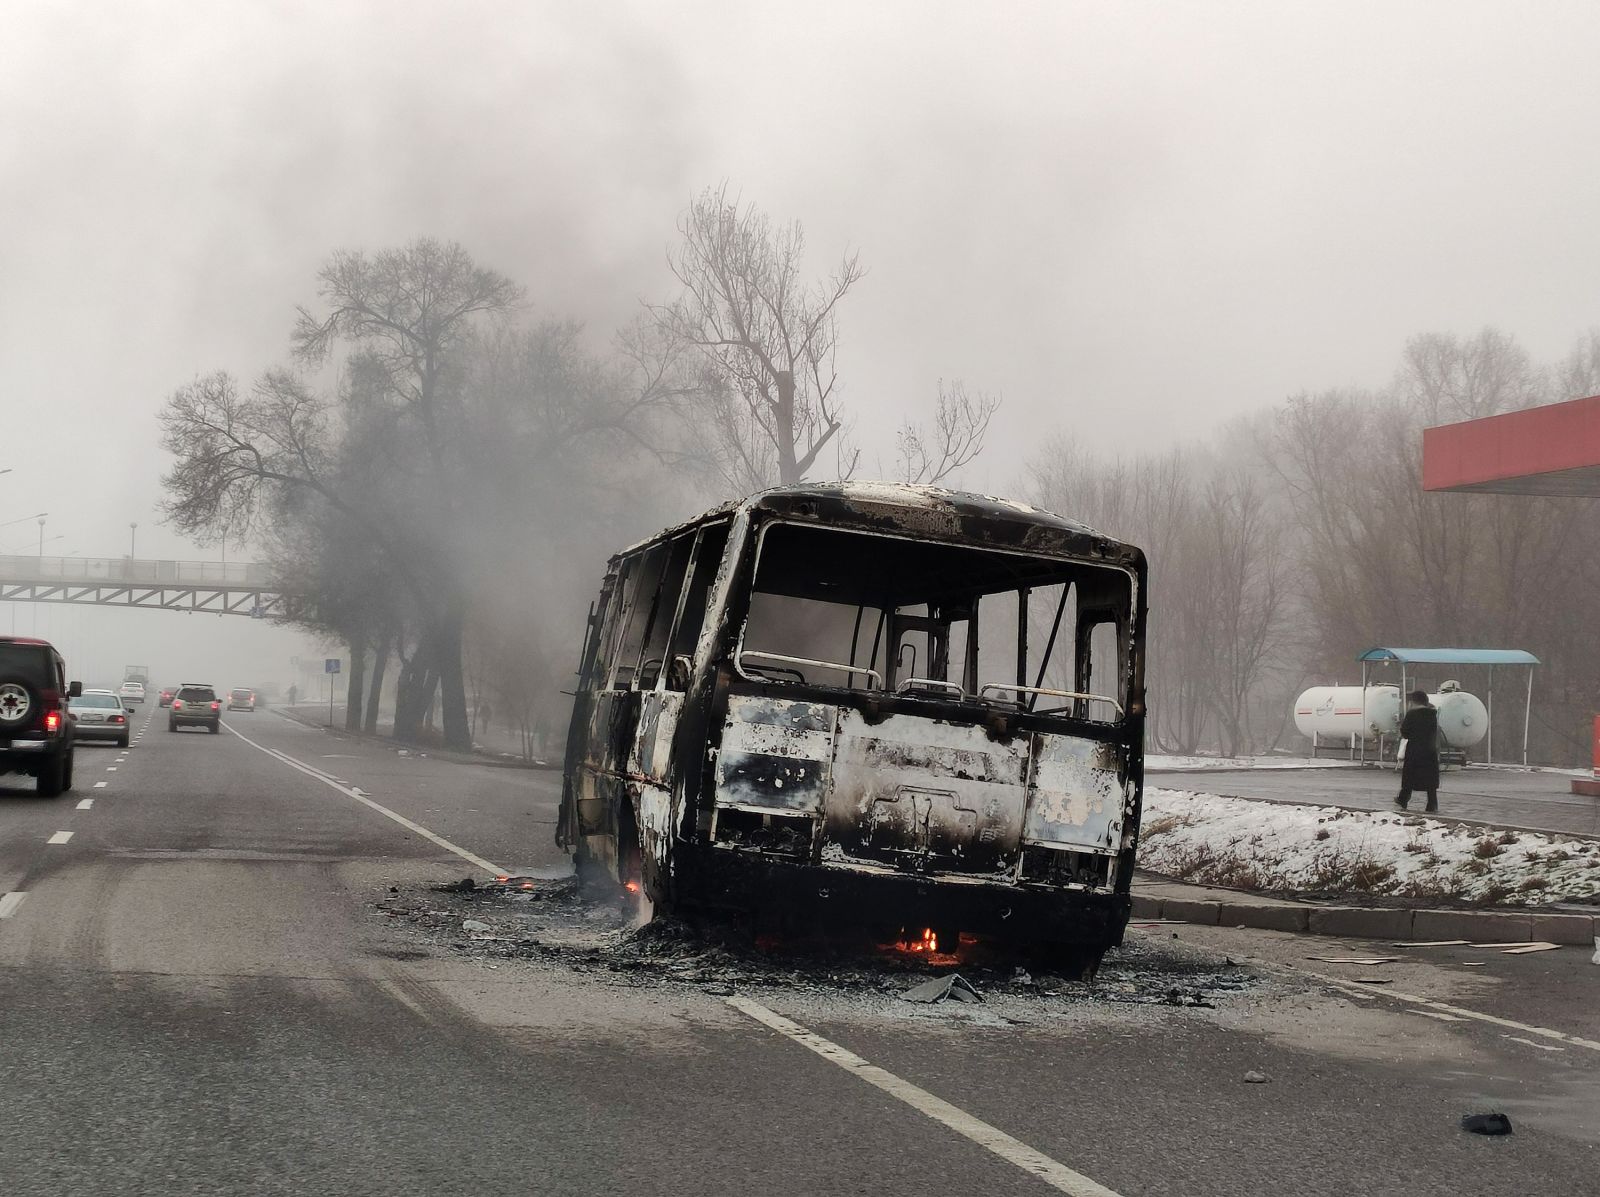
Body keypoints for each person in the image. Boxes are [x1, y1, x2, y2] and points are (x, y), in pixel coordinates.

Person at [1395, 690, 1440, 812]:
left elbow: (1405, 732)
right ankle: (1432, 804)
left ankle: (1403, 799)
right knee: (1430, 780)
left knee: (1409, 777)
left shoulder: (1412, 714)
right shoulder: (1432, 715)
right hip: (1429, 750)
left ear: (1413, 702)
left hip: (1414, 750)